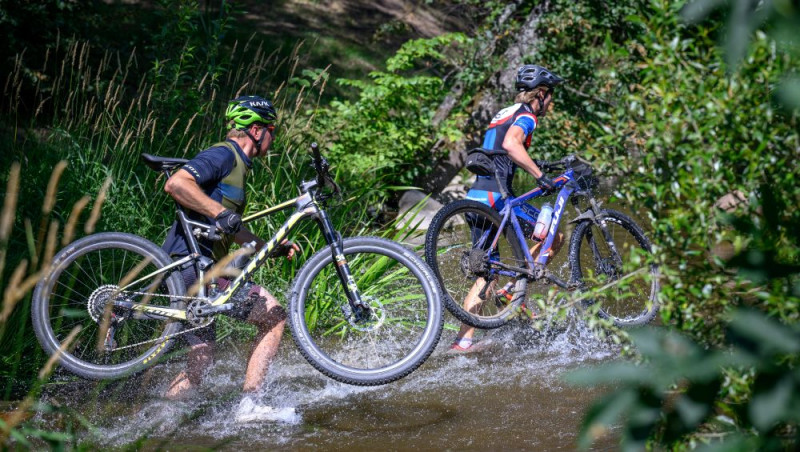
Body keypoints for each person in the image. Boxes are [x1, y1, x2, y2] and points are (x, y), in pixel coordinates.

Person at [161, 95, 300, 421]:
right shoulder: (223, 154)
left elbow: (232, 229)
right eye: (271, 130)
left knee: (202, 355)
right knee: (274, 316)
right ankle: (250, 405)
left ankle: (158, 422)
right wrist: (219, 212)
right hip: (193, 265)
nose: (273, 138)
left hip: (198, 268)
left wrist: (271, 246)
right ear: (255, 130)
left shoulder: (238, 167)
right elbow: (176, 183)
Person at [448, 64, 566, 353]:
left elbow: (499, 148)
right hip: (497, 200)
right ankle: (513, 288)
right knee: (554, 236)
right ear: (540, 94)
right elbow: (512, 145)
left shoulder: (504, 112)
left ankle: (462, 342)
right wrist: (540, 176)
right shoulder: (527, 115)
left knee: (487, 272)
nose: (550, 102)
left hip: (476, 197)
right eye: (550, 96)